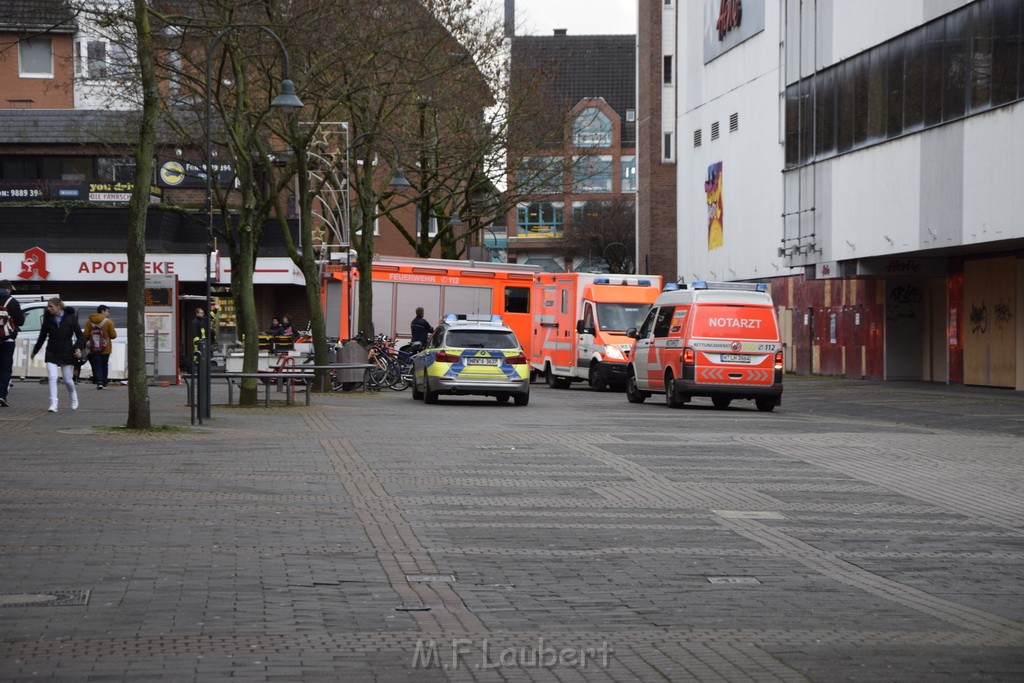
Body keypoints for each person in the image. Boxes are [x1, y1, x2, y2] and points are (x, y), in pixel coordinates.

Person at [30, 298, 86, 413]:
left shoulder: (70, 318)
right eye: (48, 306)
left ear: (58, 306)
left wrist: (78, 347)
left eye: (51, 306)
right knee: (52, 377)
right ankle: (53, 404)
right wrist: (35, 351)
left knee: (67, 380)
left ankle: (73, 396)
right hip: (52, 351)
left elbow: (81, 336)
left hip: (67, 351)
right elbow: (42, 336)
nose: (48, 308)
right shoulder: (48, 319)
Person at [0, 279, 26, 408]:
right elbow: (20, 322)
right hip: (7, 340)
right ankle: (2, 395)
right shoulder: (12, 302)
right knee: (5, 369)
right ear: (8, 289)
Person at [84, 304, 117, 389]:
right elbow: (113, 336)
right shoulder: (108, 322)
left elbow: (86, 335)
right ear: (102, 311)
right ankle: (104, 382)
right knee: (104, 364)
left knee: (97, 364)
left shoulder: (89, 322)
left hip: (93, 347)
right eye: (107, 311)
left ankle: (99, 382)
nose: (108, 313)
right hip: (105, 348)